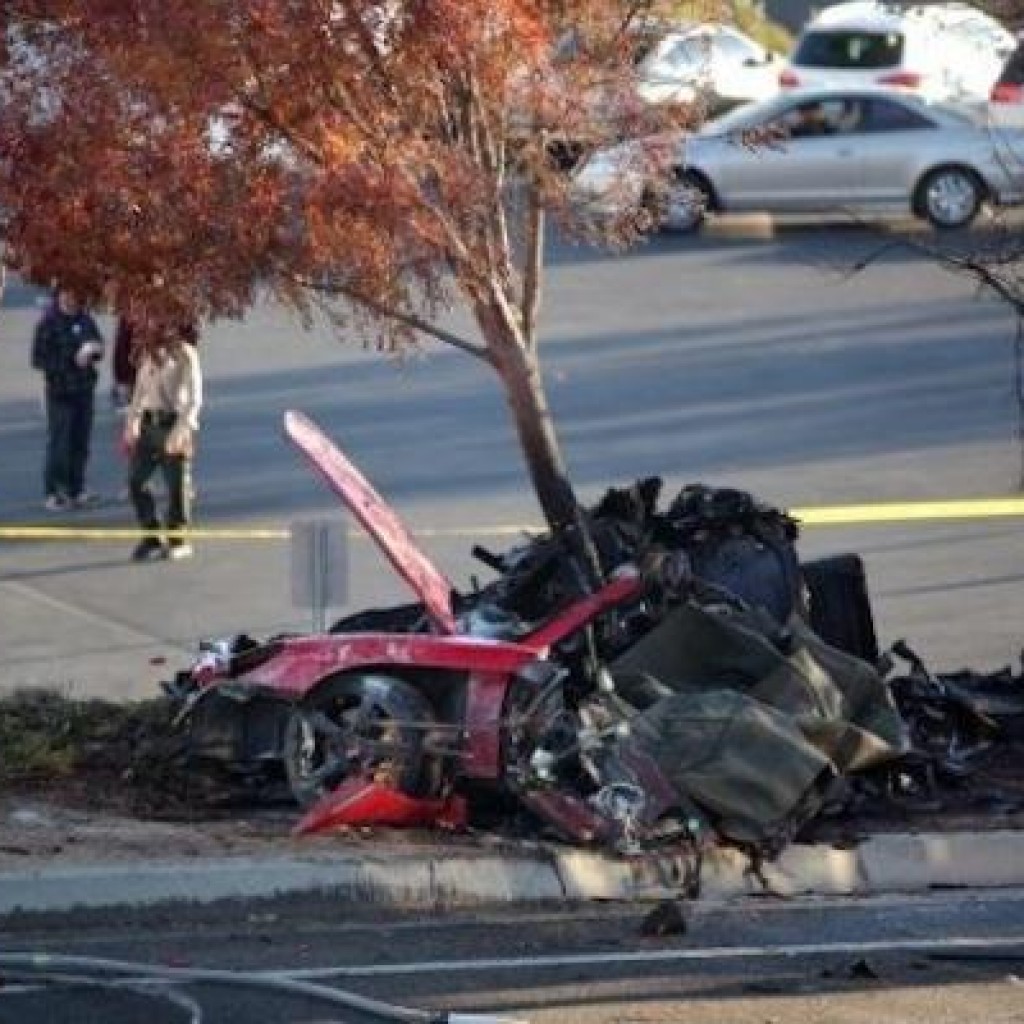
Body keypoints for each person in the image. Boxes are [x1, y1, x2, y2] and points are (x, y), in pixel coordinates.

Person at [122, 321, 203, 562]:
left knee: (176, 485)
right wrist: (132, 421)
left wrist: (182, 429)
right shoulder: (146, 351)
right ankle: (151, 535)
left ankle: (178, 539)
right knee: (136, 481)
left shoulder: (185, 354)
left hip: (173, 424)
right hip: (149, 425)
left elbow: (195, 398)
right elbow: (138, 390)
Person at [31, 286, 106, 511]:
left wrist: (93, 349)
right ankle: (54, 492)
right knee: (59, 443)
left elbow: (99, 347)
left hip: (84, 390)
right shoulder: (48, 322)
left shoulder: (85, 319)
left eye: (76, 294)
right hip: (60, 393)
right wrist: (72, 360)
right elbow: (39, 360)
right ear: (60, 295)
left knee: (80, 442)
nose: (72, 298)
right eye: (68, 293)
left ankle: (77, 488)